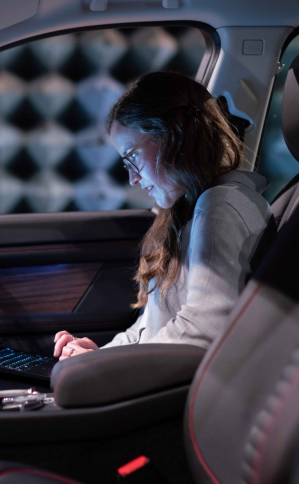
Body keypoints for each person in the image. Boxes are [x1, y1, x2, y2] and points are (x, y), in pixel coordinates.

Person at [54, 71, 275, 361]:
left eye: (132, 157)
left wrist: (106, 367)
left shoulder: (220, 206)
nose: (132, 178)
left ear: (174, 136)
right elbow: (147, 329)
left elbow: (203, 330)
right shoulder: (184, 212)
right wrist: (96, 357)